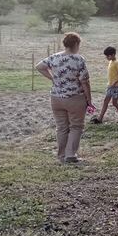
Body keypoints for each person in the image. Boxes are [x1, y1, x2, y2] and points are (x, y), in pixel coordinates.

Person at [36, 32, 92, 163]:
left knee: (61, 127)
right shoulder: (78, 59)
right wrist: (89, 99)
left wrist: (53, 78)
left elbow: (39, 67)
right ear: (76, 44)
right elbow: (85, 81)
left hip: (56, 98)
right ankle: (70, 154)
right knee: (76, 126)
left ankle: (61, 155)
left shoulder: (54, 57)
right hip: (75, 98)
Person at [93, 46, 118, 123]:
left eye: (107, 56)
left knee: (114, 103)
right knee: (108, 102)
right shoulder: (111, 62)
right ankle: (100, 119)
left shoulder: (116, 63)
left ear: (112, 55)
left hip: (115, 87)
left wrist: (114, 83)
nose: (106, 57)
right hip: (111, 86)